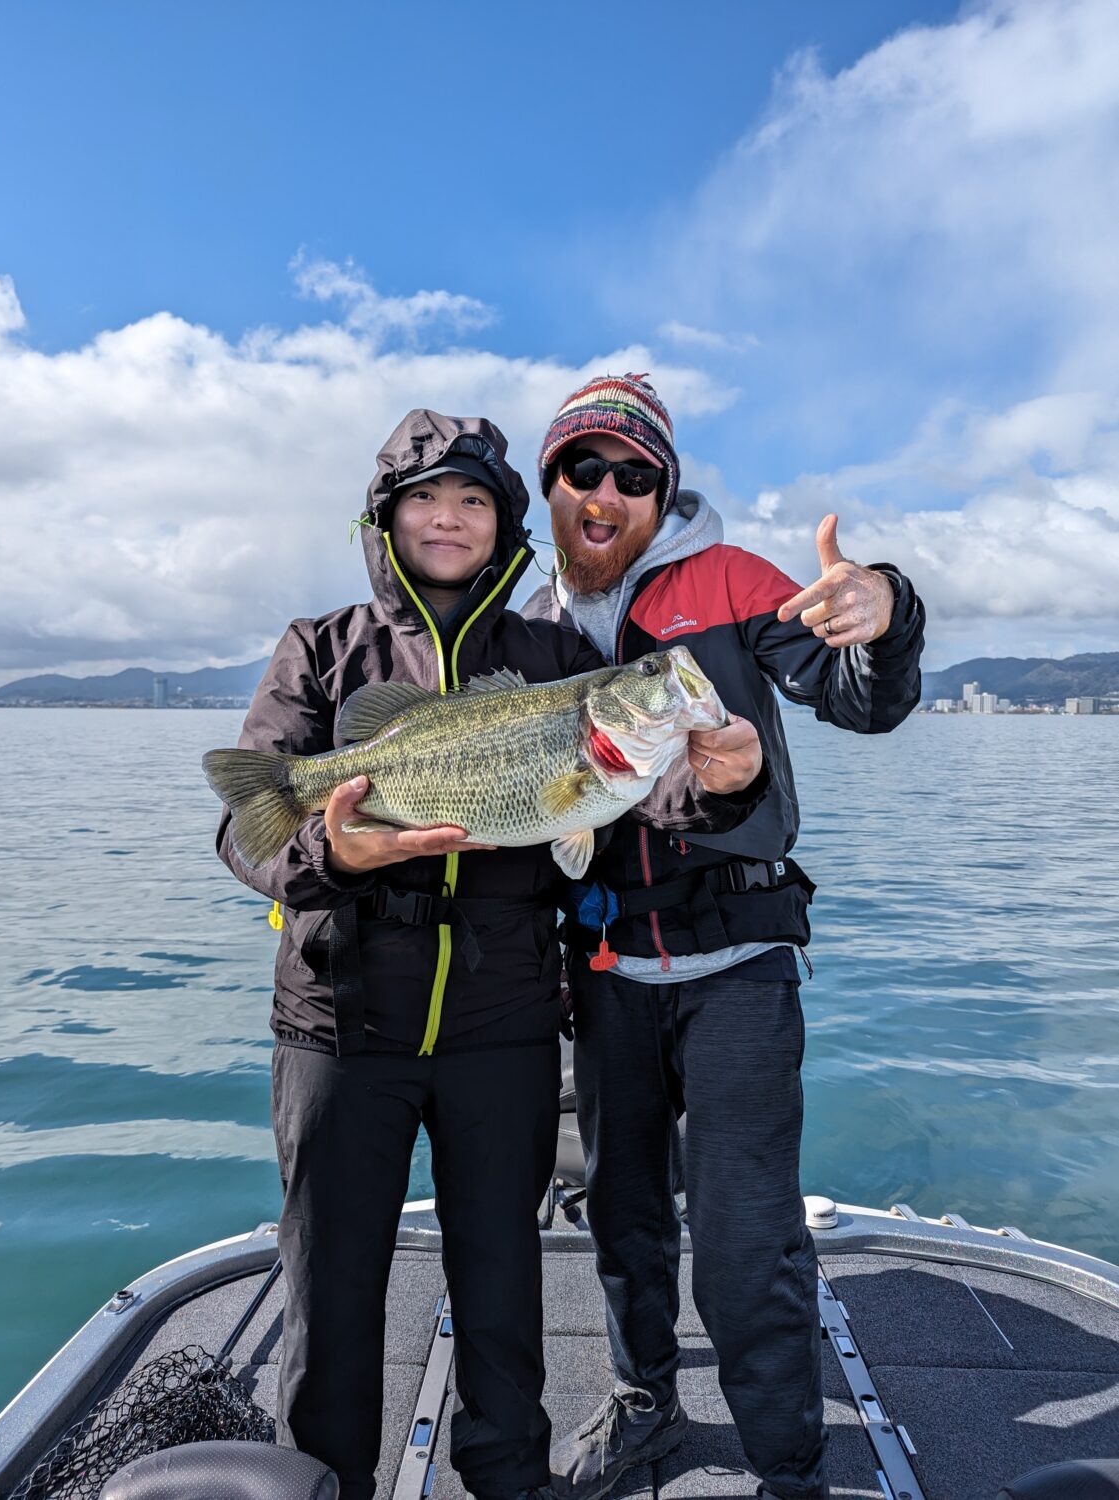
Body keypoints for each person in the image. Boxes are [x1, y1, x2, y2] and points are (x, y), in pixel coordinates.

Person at [524, 374, 926, 1500]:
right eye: (583, 468)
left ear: (662, 492)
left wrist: (885, 612)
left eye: (634, 475)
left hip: (739, 967)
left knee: (747, 1247)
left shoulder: (737, 580)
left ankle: (787, 1464)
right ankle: (646, 1405)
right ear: (550, 484)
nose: (607, 491)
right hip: (603, 973)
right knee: (622, 1220)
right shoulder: (528, 626)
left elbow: (859, 698)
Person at [214, 409, 605, 1500]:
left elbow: (619, 797)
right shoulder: (319, 647)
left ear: (504, 526)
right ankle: (325, 1480)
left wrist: (716, 775)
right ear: (384, 519)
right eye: (425, 498)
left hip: (505, 1023)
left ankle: (506, 1479)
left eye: (473, 500)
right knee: (331, 1291)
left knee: (503, 1281)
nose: (448, 518)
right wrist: (328, 851)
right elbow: (245, 833)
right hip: (340, 1023)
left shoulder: (556, 657)